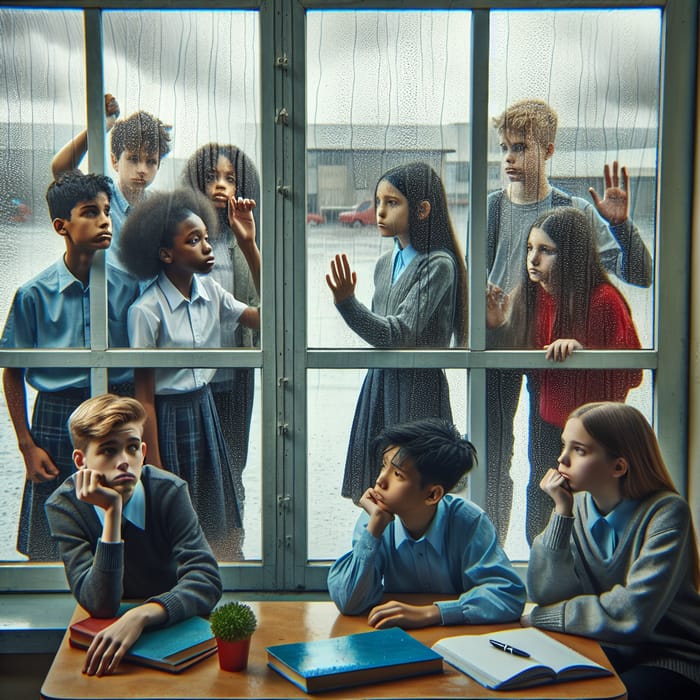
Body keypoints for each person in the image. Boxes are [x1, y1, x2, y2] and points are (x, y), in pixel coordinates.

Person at [484, 99, 653, 544]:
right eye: (504, 147)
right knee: (493, 458)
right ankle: (491, 557)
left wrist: (620, 227)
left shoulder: (571, 210)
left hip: (553, 353)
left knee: (553, 458)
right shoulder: (492, 208)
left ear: (549, 151)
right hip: (502, 348)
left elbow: (639, 276)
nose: (509, 158)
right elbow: (477, 285)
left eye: (520, 147)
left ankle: (552, 550)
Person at [117, 187, 260, 560]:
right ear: (166, 254)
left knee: (219, 521)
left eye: (207, 238)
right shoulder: (146, 311)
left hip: (205, 410)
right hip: (166, 418)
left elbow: (268, 318)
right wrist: (154, 462)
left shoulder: (211, 290)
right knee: (175, 520)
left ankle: (216, 581)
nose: (207, 248)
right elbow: (143, 394)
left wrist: (248, 243)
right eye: (193, 241)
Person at [1, 171, 136, 561]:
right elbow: (13, 371)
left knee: (118, 531)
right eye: (91, 213)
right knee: (48, 542)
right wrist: (27, 445)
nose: (105, 220)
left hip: (116, 407)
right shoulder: (33, 295)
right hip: (57, 416)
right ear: (62, 226)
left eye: (107, 211)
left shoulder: (129, 287)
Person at [523, 402, 700, 700]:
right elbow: (545, 594)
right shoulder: (575, 508)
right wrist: (561, 514)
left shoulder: (666, 513)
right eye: (564, 445)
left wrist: (544, 617)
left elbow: (631, 615)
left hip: (671, 658)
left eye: (579, 450)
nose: (561, 459)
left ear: (618, 466)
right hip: (604, 647)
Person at [487, 207, 642, 544]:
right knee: (541, 500)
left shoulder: (603, 301)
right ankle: (544, 567)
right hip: (546, 422)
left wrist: (582, 352)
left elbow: (632, 371)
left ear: (571, 255)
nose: (533, 259)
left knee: (590, 509)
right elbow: (520, 363)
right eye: (530, 249)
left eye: (546, 250)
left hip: (593, 431)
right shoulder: (532, 296)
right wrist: (499, 325)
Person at [45, 394, 222, 678]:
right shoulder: (64, 505)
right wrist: (113, 514)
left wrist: (140, 615)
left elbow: (207, 581)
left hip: (171, 630)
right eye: (108, 451)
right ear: (81, 460)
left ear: (144, 450)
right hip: (107, 638)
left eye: (131, 448)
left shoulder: (169, 491)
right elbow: (100, 605)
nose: (124, 461)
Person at [326, 162, 468, 503]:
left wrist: (348, 304)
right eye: (378, 202)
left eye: (392, 202)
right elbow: (384, 333)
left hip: (417, 387)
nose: (380, 212)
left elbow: (396, 334)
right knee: (377, 489)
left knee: (413, 488)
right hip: (382, 382)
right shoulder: (384, 263)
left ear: (422, 209)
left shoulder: (438, 265)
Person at [327, 417, 526, 628]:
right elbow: (348, 602)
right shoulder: (374, 520)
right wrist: (374, 529)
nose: (380, 481)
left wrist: (432, 613)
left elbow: (509, 595)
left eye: (397, 474)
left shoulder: (469, 522)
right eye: (383, 466)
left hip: (458, 641)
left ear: (432, 494)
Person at [182, 143, 261, 529]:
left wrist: (248, 241)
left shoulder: (243, 236)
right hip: (190, 375)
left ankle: (235, 546)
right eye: (212, 177)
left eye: (230, 178)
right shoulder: (182, 236)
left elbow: (267, 309)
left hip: (237, 371)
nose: (221, 186)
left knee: (233, 464)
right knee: (192, 467)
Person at [51, 94, 171, 266]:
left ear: (158, 165)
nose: (142, 169)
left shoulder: (159, 209)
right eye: (134, 159)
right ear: (115, 161)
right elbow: (61, 169)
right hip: (104, 292)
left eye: (151, 161)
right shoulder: (101, 196)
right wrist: (101, 127)